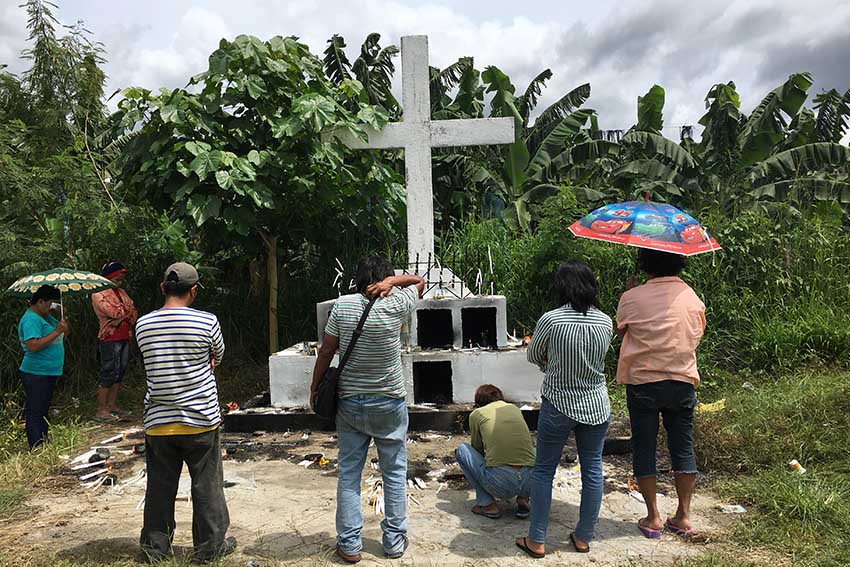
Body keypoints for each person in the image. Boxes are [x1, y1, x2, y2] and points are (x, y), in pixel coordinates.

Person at [311, 256, 424, 564]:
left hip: (349, 403)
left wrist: (314, 386)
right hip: (389, 401)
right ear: (385, 280)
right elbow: (419, 282)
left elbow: (326, 350)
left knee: (348, 474)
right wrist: (395, 282)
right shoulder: (397, 303)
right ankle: (394, 543)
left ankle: (349, 545)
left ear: (358, 279)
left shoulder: (343, 305)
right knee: (395, 473)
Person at [134, 262, 235, 563]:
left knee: (160, 488)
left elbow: (149, 360)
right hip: (200, 420)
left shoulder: (143, 324)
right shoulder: (207, 322)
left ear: (163, 288)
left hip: (159, 422)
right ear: (194, 290)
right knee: (207, 487)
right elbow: (218, 356)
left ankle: (155, 549)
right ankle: (209, 549)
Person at [516, 261, 613, 558]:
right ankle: (583, 537)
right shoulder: (606, 321)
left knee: (544, 471)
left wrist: (548, 361)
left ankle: (537, 539)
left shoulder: (552, 320)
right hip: (596, 403)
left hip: (559, 402)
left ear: (562, 287)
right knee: (593, 470)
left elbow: (533, 355)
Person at [616, 248, 705, 539]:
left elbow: (622, 331)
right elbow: (696, 335)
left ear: (644, 265)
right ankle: (683, 515)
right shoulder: (692, 298)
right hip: (681, 381)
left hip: (643, 382)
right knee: (682, 447)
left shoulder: (632, 297)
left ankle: (653, 516)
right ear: (679, 263)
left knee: (645, 447)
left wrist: (629, 295)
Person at [456, 385, 535, 520]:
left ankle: (487, 505)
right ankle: (523, 498)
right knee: (533, 451)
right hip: (532, 481)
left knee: (462, 450)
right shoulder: (514, 409)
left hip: (501, 484)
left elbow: (477, 449)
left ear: (478, 402)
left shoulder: (477, 414)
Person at [17, 285, 68, 450]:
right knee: (35, 411)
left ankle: (43, 441)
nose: (51, 307)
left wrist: (63, 320)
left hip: (49, 370)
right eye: (50, 303)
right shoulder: (31, 319)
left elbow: (64, 333)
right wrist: (56, 332)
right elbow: (33, 345)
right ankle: (36, 445)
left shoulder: (47, 317)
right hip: (36, 371)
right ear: (40, 301)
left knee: (43, 409)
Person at [92, 261, 138, 422]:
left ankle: (112, 404)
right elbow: (113, 312)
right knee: (109, 370)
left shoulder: (121, 292)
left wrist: (123, 316)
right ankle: (101, 409)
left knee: (120, 370)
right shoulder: (99, 293)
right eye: (118, 275)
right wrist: (124, 314)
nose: (121, 278)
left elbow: (133, 312)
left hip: (125, 336)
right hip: (109, 337)